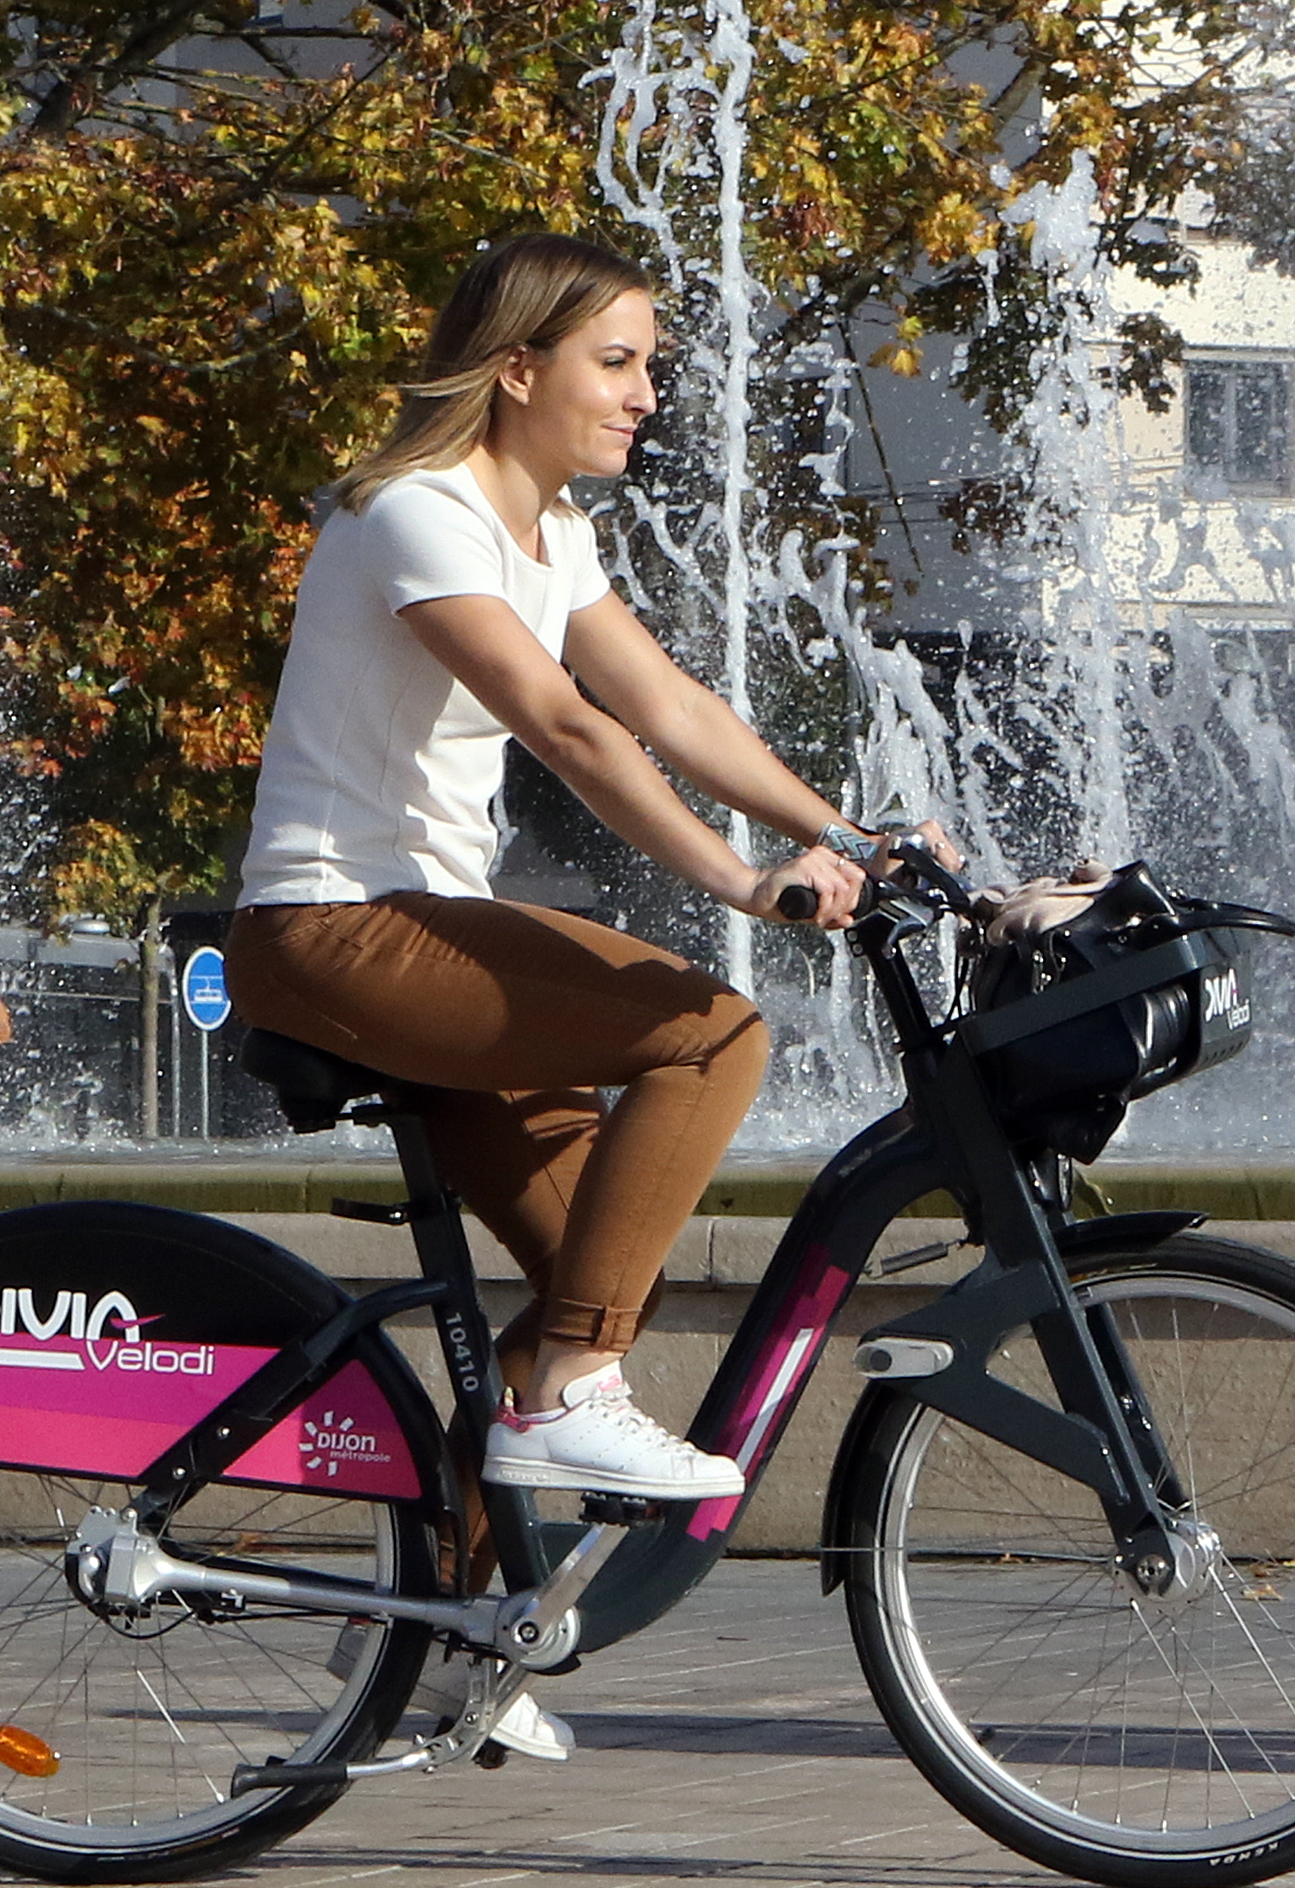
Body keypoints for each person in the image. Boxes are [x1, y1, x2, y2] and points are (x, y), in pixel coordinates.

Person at [223, 230, 919, 1502]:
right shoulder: (416, 514)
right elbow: (569, 724)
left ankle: (459, 1650)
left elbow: (674, 707)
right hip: (335, 930)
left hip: (422, 931)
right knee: (711, 1037)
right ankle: (565, 1402)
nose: (647, 393)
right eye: (617, 361)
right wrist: (738, 884)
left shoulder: (555, 537)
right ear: (517, 369)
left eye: (648, 363)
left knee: (604, 1271)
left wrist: (849, 835)